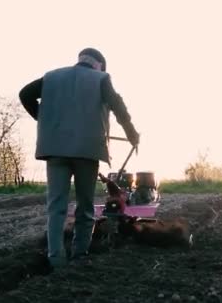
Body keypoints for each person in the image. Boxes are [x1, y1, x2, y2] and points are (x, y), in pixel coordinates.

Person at [18, 47, 139, 269]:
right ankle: (80, 255)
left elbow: (25, 94)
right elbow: (117, 105)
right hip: (87, 151)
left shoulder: (51, 77)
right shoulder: (101, 78)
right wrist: (132, 134)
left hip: (55, 150)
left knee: (56, 207)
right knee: (85, 206)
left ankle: (55, 259)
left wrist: (45, 121)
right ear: (99, 65)